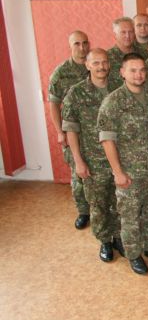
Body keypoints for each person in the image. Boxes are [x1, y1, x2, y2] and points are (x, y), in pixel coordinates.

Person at [98, 53, 148, 275]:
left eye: (142, 70)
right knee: (130, 216)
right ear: (122, 72)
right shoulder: (113, 102)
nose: (138, 74)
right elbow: (107, 140)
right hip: (129, 171)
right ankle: (133, 254)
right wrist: (118, 172)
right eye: (133, 70)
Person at [62, 48, 121, 260]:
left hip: (120, 157)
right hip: (93, 160)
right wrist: (78, 161)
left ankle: (118, 237)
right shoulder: (76, 93)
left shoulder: (119, 87)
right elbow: (71, 129)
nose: (101, 67)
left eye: (104, 62)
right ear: (87, 65)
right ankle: (105, 241)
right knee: (98, 204)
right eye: (96, 63)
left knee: (119, 201)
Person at [48, 30, 91, 229]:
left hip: (95, 132)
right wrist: (59, 132)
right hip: (74, 132)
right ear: (70, 46)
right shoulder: (61, 73)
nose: (82, 48)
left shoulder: (95, 66)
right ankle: (83, 211)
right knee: (78, 174)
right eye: (77, 44)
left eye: (85, 43)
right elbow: (54, 104)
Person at [107, 17, 135, 85]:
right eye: (123, 32)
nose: (127, 36)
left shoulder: (144, 53)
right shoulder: (107, 57)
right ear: (115, 35)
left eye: (130, 32)